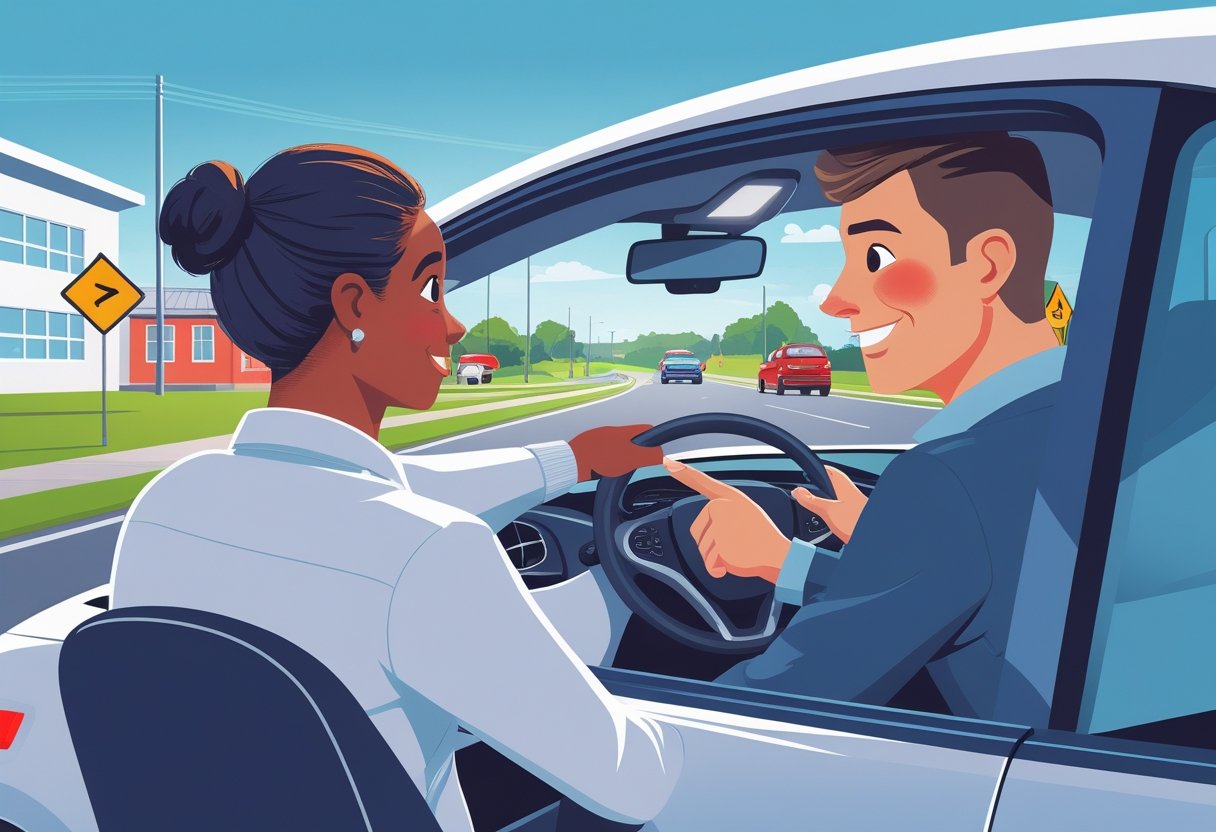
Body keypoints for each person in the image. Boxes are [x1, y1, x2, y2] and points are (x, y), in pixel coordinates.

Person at [109, 145, 682, 831]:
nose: (453, 323)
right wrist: (646, 586)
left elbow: (381, 505)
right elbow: (631, 782)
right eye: (430, 287)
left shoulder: (166, 507)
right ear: (354, 303)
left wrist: (573, 460)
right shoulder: (427, 553)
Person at [668, 133, 1064, 725]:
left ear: (987, 264)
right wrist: (825, 555)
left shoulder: (948, 480)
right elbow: (944, 595)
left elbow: (760, 715)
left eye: (877, 257)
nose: (836, 300)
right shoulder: (1083, 422)